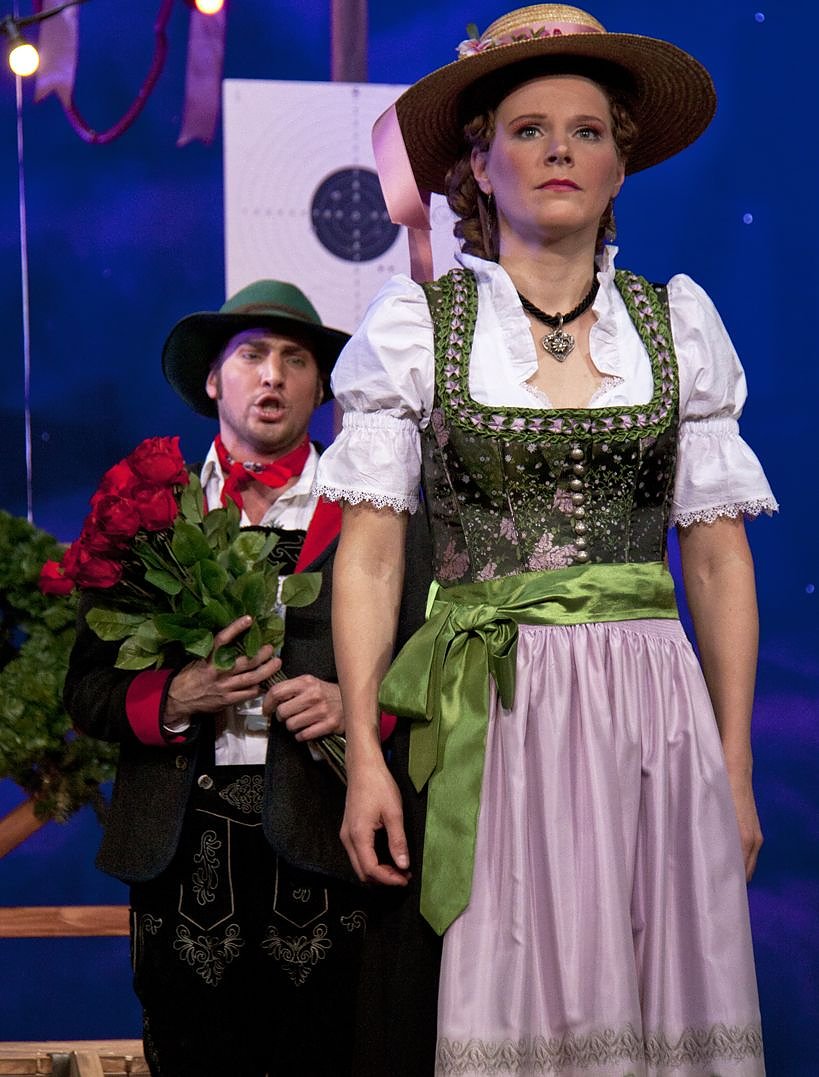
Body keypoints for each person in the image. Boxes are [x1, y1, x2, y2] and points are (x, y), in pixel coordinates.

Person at [315, 6, 777, 1075]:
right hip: (502, 710)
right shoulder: (418, 328)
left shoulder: (677, 326)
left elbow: (716, 558)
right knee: (519, 993)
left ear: (619, 167)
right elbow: (371, 556)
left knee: (664, 998)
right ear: (479, 165)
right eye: (528, 130)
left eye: (586, 131)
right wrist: (366, 757)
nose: (560, 150)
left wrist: (734, 761)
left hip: (652, 712)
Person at [64, 280, 435, 1076]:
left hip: (326, 839)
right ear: (212, 379)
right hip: (178, 856)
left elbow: (434, 664)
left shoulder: (371, 510)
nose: (272, 376)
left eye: (295, 360)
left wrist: (357, 705)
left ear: (321, 387)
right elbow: (86, 690)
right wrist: (173, 697)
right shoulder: (149, 511)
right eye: (252, 356)